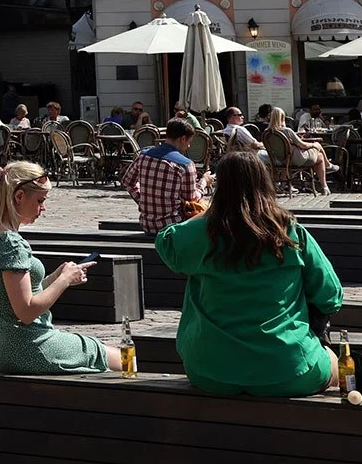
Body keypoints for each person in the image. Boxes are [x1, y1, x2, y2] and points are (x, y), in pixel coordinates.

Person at [156, 156, 344, 397]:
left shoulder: (203, 233)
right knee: (333, 360)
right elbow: (331, 295)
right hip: (288, 368)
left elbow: (166, 240)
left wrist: (211, 210)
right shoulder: (288, 230)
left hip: (211, 370)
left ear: (220, 187)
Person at [0, 161, 124, 375]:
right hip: (29, 347)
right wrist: (64, 281)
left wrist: (57, 276)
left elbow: (15, 295)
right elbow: (26, 311)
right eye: (40, 200)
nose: (43, 208)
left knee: (97, 348)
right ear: (19, 197)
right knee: (120, 356)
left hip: (3, 347)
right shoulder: (10, 242)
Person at [125, 117, 205, 234]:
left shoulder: (143, 156)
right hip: (173, 226)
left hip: (147, 224)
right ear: (183, 139)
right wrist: (203, 183)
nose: (188, 146)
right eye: (189, 142)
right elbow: (191, 199)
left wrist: (142, 200)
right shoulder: (185, 164)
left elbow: (128, 181)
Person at [263, 107, 329, 192]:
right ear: (282, 118)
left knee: (316, 150)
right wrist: (313, 144)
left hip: (279, 160)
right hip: (295, 160)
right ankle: (325, 186)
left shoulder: (266, 132)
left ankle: (284, 185)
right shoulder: (287, 131)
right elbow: (303, 145)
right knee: (319, 154)